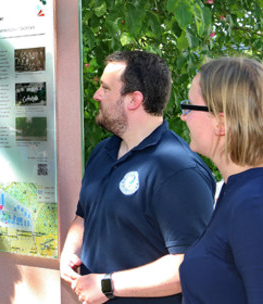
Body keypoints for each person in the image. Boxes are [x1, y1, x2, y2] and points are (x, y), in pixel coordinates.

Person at [60, 51, 216, 304]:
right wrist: (70, 251)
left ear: (133, 100)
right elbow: (84, 216)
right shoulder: (103, 152)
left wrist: (107, 285)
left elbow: (190, 265)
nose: (96, 95)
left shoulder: (177, 170)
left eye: (105, 88)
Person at [179, 57, 263, 303]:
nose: (184, 117)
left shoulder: (253, 203)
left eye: (190, 107)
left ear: (221, 122)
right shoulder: (236, 190)